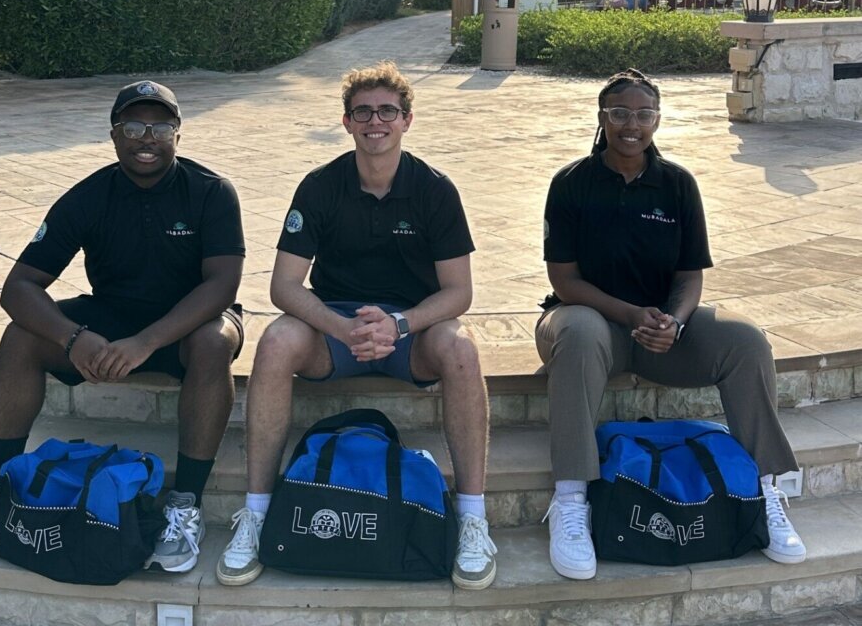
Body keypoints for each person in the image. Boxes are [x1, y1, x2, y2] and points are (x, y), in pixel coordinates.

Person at [0, 80, 245, 574]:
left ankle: (185, 504)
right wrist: (72, 338)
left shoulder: (211, 192)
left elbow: (222, 286)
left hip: (189, 320)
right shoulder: (88, 196)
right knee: (21, 336)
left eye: (160, 126)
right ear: (114, 134)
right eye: (134, 126)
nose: (147, 137)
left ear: (178, 135)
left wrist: (146, 342)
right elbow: (18, 288)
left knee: (213, 342)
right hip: (111, 318)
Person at [216, 60, 496, 590]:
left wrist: (400, 322)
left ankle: (474, 519)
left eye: (387, 111)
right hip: (336, 327)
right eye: (362, 112)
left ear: (407, 120)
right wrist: (342, 329)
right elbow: (285, 287)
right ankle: (256, 514)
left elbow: (460, 292)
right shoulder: (320, 186)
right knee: (276, 340)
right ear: (346, 122)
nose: (375, 122)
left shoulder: (436, 190)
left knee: (462, 348)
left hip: (410, 332)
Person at [535, 68, 805, 580]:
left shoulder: (677, 184)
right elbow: (565, 280)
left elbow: (689, 276)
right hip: (589, 324)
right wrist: (632, 315)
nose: (630, 124)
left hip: (661, 330)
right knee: (580, 331)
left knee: (746, 340)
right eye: (619, 113)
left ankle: (764, 490)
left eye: (642, 114)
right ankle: (571, 499)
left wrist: (675, 323)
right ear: (602, 118)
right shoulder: (572, 184)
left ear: (657, 119)